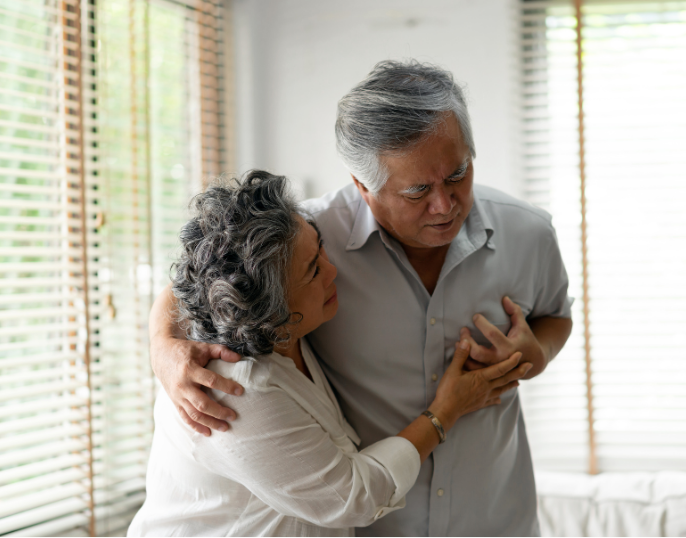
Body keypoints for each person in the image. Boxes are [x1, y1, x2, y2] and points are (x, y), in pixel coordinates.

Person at [149, 60, 573, 537]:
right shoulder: (305, 242)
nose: (445, 203)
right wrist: (163, 347)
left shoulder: (529, 232)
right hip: (377, 522)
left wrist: (537, 354)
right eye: (418, 190)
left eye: (458, 173)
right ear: (362, 186)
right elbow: (202, 283)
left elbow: (556, 317)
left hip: (496, 516)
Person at [128, 171, 531, 537]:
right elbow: (354, 497)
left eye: (319, 248)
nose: (332, 269)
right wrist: (446, 410)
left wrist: (160, 341)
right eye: (312, 271)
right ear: (271, 311)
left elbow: (204, 273)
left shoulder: (283, 329)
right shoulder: (235, 391)